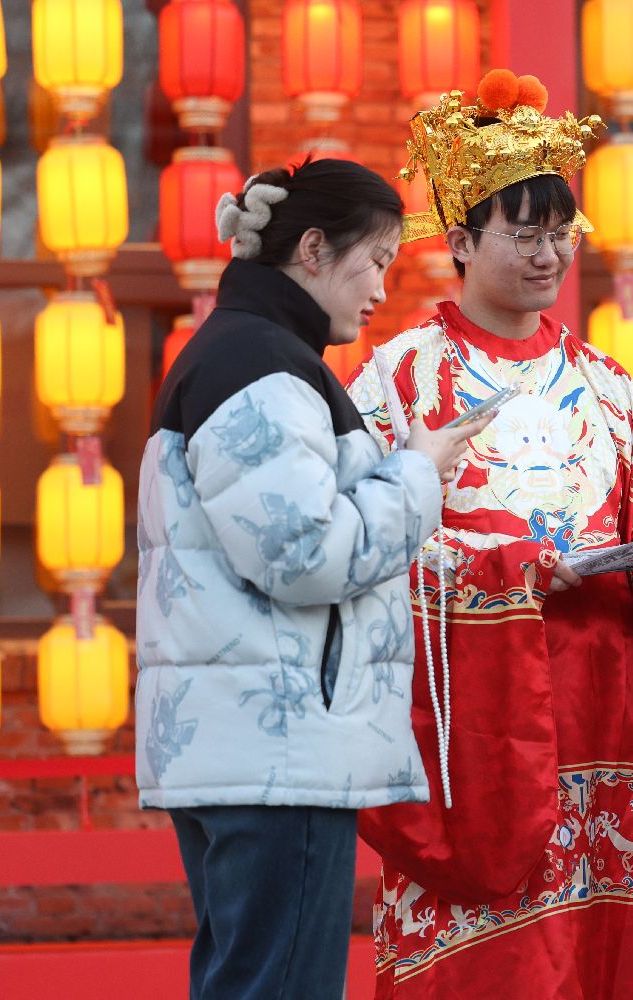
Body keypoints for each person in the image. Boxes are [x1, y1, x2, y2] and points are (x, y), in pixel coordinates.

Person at [346, 70, 633, 998]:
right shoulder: (399, 383)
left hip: (606, 724)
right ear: (461, 240)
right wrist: (513, 571)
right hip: (478, 742)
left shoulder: (610, 387)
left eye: (561, 232)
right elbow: (361, 546)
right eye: (525, 234)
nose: (550, 255)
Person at [135, 158, 486, 999]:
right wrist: (417, 473)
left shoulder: (244, 352)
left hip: (246, 742)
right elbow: (304, 554)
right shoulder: (261, 366)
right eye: (376, 262)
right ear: (314, 249)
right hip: (277, 748)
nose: (380, 290)